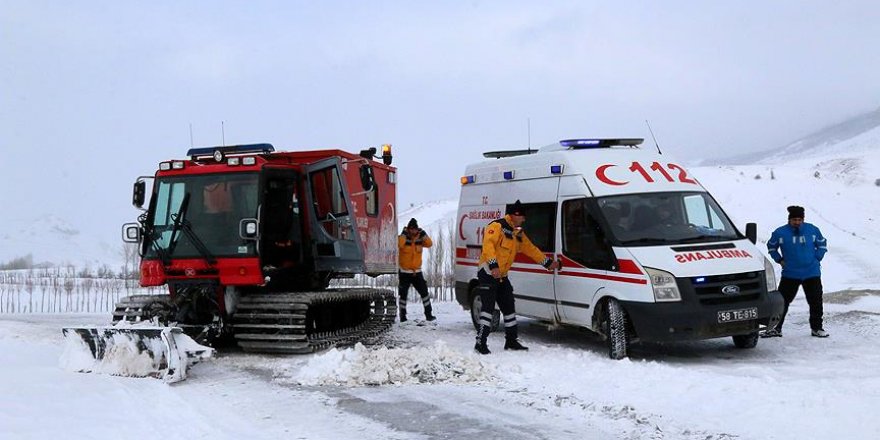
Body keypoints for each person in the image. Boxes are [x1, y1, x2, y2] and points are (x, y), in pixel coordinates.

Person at [474, 200, 560, 354]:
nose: (524, 220)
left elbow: (531, 249)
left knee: (509, 307)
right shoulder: (496, 226)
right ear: (515, 215)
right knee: (488, 309)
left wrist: (548, 264)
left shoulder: (517, 233)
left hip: (502, 275)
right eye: (523, 217)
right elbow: (488, 246)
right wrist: (493, 266)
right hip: (488, 273)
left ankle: (511, 341)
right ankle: (480, 342)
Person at [762, 205, 829, 338]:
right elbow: (771, 247)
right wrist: (779, 260)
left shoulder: (813, 230)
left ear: (803, 219)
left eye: (799, 219)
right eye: (794, 220)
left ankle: (817, 328)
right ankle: (776, 328)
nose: (797, 222)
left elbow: (822, 244)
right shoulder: (780, 233)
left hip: (811, 272)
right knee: (781, 302)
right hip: (790, 274)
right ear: (789, 220)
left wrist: (817, 258)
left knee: (816, 301)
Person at [398, 218, 435, 322]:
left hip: (417, 272)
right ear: (408, 229)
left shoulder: (420, 238)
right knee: (403, 295)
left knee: (424, 293)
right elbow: (399, 244)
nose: (413, 231)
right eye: (411, 229)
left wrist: (424, 234)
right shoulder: (403, 238)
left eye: (414, 229)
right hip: (405, 272)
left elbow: (429, 243)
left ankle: (429, 314)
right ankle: (403, 316)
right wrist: (404, 234)